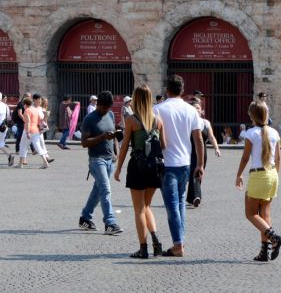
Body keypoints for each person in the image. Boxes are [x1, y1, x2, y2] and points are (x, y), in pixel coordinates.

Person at [154, 76, 204, 257]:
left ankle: (178, 244)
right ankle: (180, 240)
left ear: (167, 89)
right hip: (185, 163)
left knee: (172, 205)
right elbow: (198, 139)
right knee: (181, 202)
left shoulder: (157, 109)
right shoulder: (191, 110)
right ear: (182, 90)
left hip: (167, 163)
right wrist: (200, 164)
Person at [114, 84, 166, 259]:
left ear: (135, 99)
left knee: (139, 209)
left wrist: (118, 169)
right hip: (155, 167)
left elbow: (124, 147)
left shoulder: (132, 120)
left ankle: (143, 248)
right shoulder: (158, 120)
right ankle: (156, 241)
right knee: (147, 206)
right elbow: (164, 145)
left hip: (137, 165)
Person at [236, 101, 281, 262]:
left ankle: (273, 238)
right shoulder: (274, 133)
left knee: (250, 213)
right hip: (272, 174)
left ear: (252, 116)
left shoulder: (251, 134)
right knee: (265, 213)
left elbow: (245, 157)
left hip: (258, 175)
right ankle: (264, 252)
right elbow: (278, 158)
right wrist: (275, 175)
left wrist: (238, 175)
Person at [79, 90, 123, 236]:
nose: (106, 111)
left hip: (110, 159)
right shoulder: (89, 119)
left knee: (97, 191)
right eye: (104, 108)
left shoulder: (110, 114)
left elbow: (115, 135)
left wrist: (116, 152)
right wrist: (102, 136)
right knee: (105, 189)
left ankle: (85, 217)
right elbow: (84, 143)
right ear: (98, 104)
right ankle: (110, 222)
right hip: (96, 160)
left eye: (109, 108)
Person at [186, 98, 221, 208]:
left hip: (203, 152)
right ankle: (197, 196)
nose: (196, 110)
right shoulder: (188, 123)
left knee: (199, 173)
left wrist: (216, 148)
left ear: (202, 111)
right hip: (190, 151)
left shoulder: (206, 123)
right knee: (193, 172)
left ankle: (191, 197)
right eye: (194, 108)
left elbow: (211, 137)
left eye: (198, 108)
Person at [17, 95, 51, 168]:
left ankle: (20, 163)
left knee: (22, 146)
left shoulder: (27, 110)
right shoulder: (35, 109)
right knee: (38, 146)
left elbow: (28, 122)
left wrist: (28, 132)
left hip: (28, 130)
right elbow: (39, 120)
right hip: (36, 130)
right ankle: (45, 162)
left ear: (25, 104)